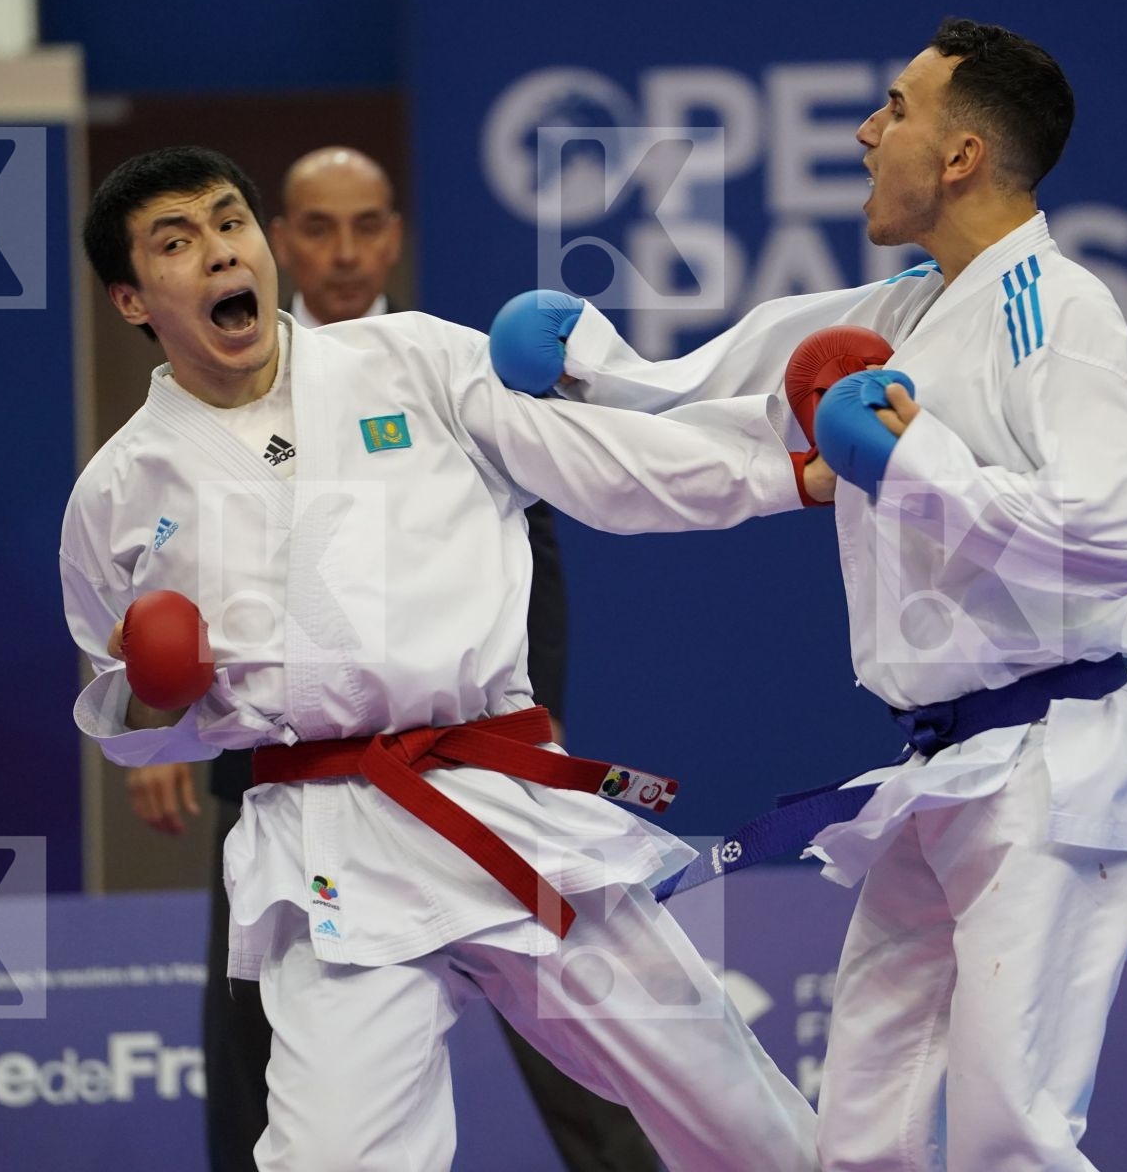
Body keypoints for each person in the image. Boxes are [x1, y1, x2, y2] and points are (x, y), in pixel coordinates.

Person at [486, 18, 1127, 1172]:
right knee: (860, 1138)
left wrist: (919, 471)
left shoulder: (1060, 314)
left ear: (962, 155)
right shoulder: (908, 308)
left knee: (1009, 1130)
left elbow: (1118, 537)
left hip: (1063, 764)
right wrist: (590, 370)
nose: (869, 133)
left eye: (899, 110)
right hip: (945, 769)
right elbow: (721, 393)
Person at [62, 145, 821, 1172]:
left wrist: (788, 470)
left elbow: (610, 463)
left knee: (726, 1102)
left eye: (228, 221)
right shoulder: (116, 495)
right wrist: (154, 700)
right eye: (177, 243)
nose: (218, 254)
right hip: (328, 848)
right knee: (333, 1156)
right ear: (131, 299)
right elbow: (130, 719)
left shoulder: (413, 360)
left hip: (490, 796)